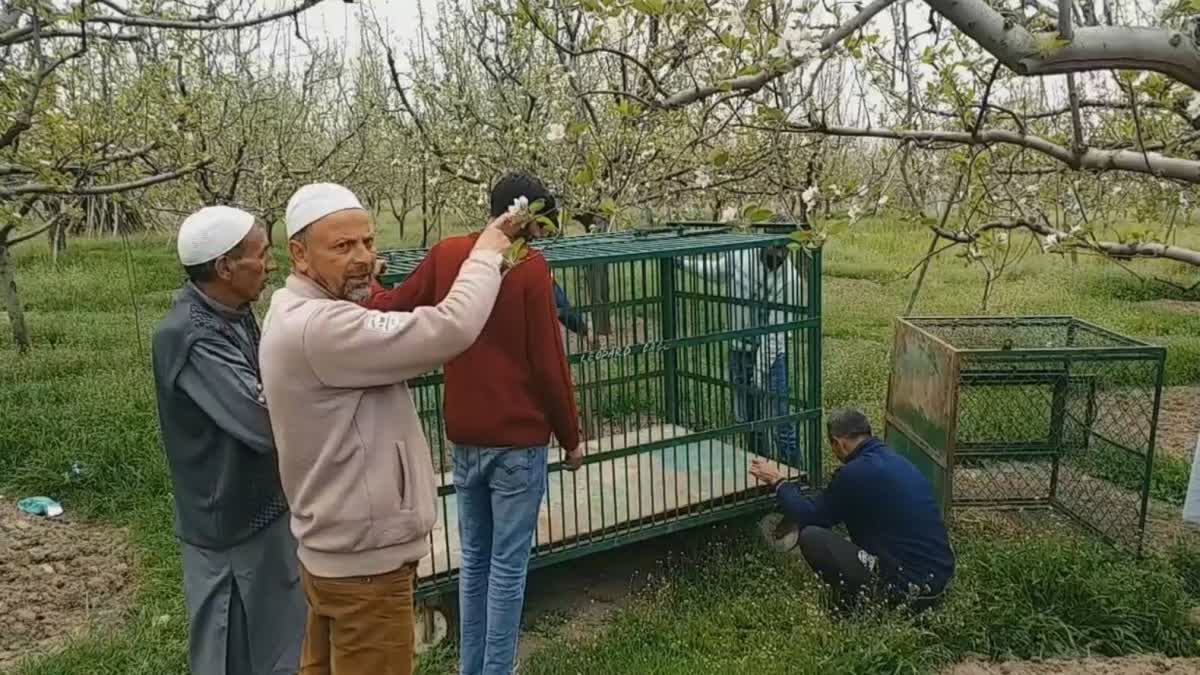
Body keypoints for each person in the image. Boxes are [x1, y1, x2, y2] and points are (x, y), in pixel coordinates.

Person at [259, 182, 517, 675]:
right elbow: (450, 328)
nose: (362, 257)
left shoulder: (293, 310)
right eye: (342, 246)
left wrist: (357, 272)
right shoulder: (323, 329)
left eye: (368, 243)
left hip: (337, 554)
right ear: (298, 253)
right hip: (365, 568)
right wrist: (484, 255)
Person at [365, 171, 583, 675]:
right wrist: (570, 439)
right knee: (508, 566)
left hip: (466, 439)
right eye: (543, 222)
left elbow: (393, 308)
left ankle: (472, 666)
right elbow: (550, 365)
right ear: (523, 218)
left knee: (476, 561)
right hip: (518, 444)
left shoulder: (445, 255)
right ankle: (497, 667)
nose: (546, 232)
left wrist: (371, 280)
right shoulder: (529, 269)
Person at [150, 205, 304, 675]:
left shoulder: (234, 311)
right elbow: (260, 420)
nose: (272, 265)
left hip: (256, 508)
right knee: (232, 645)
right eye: (261, 255)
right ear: (224, 267)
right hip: (227, 522)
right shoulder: (193, 337)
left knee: (279, 634)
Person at [749, 408, 955, 616]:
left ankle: (855, 606)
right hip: (940, 579)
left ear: (839, 443)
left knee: (813, 537)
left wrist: (778, 481)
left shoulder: (853, 473)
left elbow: (811, 516)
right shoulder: (898, 462)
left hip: (909, 589)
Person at [677, 217, 802, 466]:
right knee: (746, 418)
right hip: (739, 350)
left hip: (771, 354)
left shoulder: (791, 280)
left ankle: (795, 474)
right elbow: (715, 271)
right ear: (763, 241)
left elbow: (775, 333)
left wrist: (759, 373)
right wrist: (681, 262)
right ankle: (760, 467)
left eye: (785, 249)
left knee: (780, 420)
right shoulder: (741, 256)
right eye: (775, 246)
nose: (779, 254)